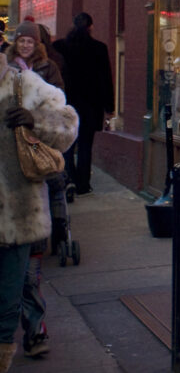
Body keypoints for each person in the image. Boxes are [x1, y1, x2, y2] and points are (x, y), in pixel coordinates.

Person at [0, 56, 80, 371]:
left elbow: (68, 123)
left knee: (7, 303)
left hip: (18, 217)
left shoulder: (23, 83)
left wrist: (34, 119)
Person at [11, 22, 66, 359]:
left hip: (30, 186)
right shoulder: (6, 74)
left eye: (31, 40)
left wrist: (34, 121)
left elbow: (64, 121)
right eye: (21, 40)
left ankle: (35, 331)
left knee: (29, 276)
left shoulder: (44, 73)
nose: (25, 44)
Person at [51, 13, 114, 196]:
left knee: (68, 146)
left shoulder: (60, 47)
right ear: (91, 27)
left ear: (72, 25)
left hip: (66, 103)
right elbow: (106, 79)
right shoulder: (99, 48)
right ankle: (83, 185)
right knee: (86, 145)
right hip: (90, 106)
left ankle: (68, 179)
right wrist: (109, 107)